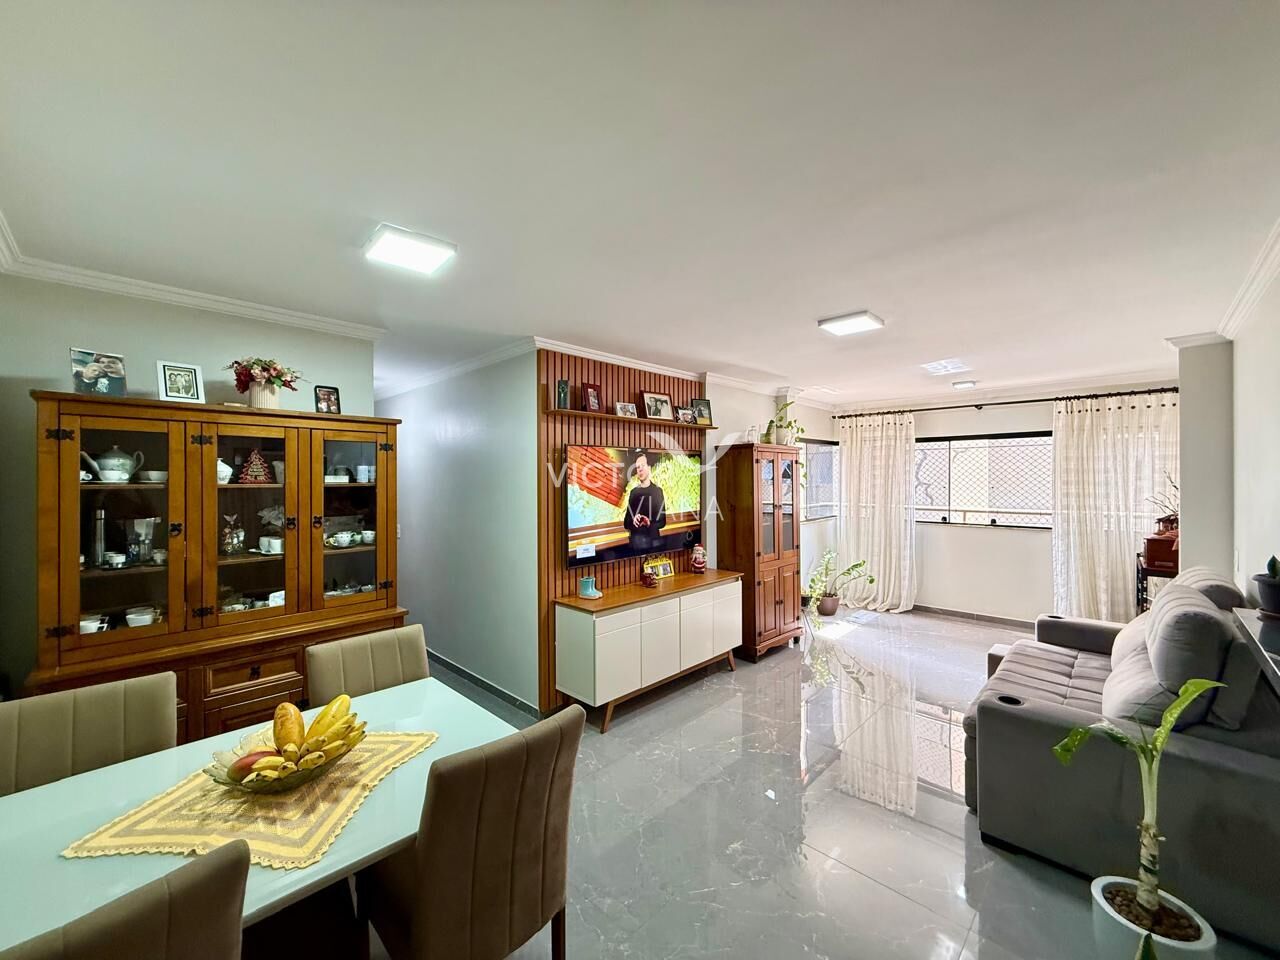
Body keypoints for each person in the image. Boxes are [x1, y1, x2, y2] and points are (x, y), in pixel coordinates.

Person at [622, 450, 665, 552]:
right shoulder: (633, 493)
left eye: (643, 465)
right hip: (636, 545)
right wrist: (633, 520)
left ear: (649, 468)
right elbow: (626, 523)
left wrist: (649, 523)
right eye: (638, 467)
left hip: (654, 544)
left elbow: (662, 522)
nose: (640, 469)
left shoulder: (657, 491)